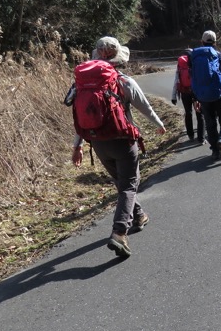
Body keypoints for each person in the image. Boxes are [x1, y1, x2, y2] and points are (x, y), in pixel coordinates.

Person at [71, 36, 166, 259]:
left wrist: (78, 145)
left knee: (121, 183)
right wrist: (159, 125)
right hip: (123, 140)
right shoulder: (124, 81)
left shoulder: (82, 85)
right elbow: (145, 107)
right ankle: (120, 232)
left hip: (98, 142)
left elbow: (79, 117)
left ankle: (139, 215)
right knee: (129, 185)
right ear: (118, 56)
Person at [190, 30, 221, 159]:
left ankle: (215, 151)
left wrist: (195, 98)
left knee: (210, 124)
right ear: (215, 42)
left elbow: (193, 78)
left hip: (203, 97)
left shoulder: (194, 57)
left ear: (202, 42)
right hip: (220, 94)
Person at [171, 48, 204, 144]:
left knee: (188, 113)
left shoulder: (180, 64)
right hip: (196, 91)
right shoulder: (195, 62)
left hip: (184, 92)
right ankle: (201, 138)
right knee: (199, 113)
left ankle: (190, 135)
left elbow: (176, 80)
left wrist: (173, 96)